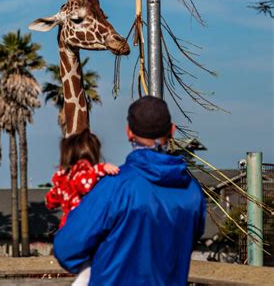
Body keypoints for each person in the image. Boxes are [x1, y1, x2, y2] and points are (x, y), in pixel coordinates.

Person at [53, 96, 206, 286]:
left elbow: (67, 248)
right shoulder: (192, 192)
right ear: (172, 130)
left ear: (129, 132)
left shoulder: (114, 187)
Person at [45, 129, 119, 285]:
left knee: (87, 269)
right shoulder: (83, 169)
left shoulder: (64, 177)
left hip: (68, 228)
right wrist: (100, 169)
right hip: (82, 227)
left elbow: (51, 199)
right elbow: (83, 184)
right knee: (92, 265)